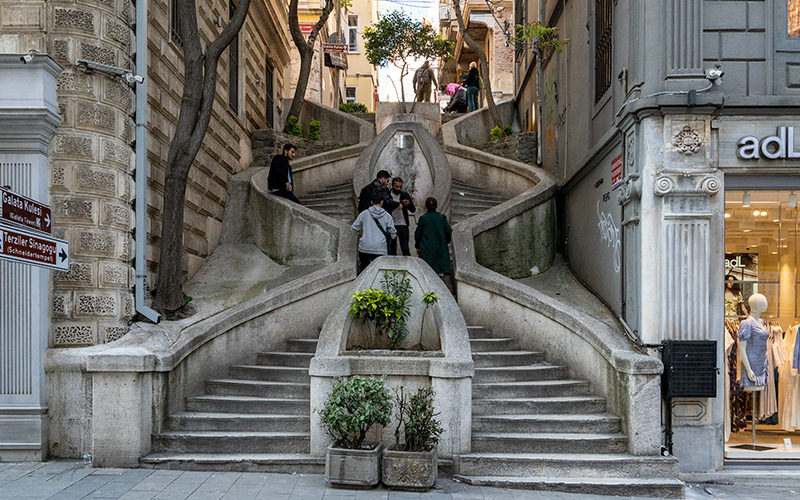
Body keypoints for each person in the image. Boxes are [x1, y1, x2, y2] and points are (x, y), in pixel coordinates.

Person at [351, 192, 397, 273]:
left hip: (364, 247)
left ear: (371, 202)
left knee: (364, 272)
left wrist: (361, 236)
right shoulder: (387, 215)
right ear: (382, 202)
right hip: (380, 248)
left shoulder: (364, 214)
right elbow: (393, 232)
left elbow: (354, 228)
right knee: (379, 273)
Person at [415, 197, 452, 275]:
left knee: (427, 273)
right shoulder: (442, 217)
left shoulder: (423, 218)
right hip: (440, 248)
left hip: (426, 249)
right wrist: (446, 240)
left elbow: (418, 233)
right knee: (439, 274)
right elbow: (448, 230)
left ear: (426, 207)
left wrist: (418, 246)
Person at [387, 177, 415, 256]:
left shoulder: (404, 195)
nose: (398, 188)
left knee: (405, 248)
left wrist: (408, 204)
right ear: (392, 185)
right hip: (391, 224)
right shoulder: (387, 195)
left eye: (400, 187)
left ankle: (408, 266)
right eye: (396, 186)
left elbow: (413, 209)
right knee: (391, 248)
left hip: (403, 224)